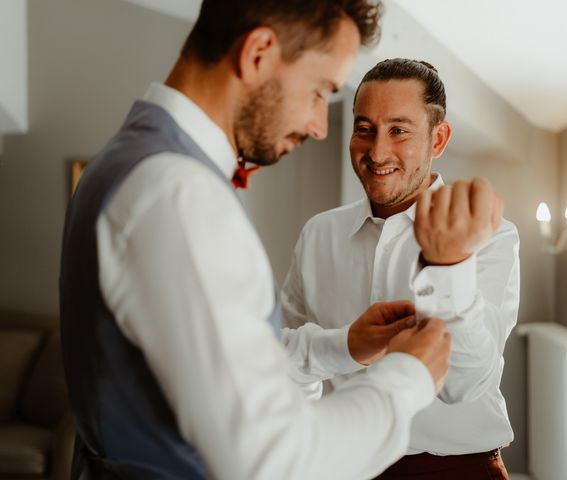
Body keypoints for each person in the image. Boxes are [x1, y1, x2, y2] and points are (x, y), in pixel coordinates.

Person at [58, 4, 458, 480]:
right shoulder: (178, 193)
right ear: (258, 53)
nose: (319, 126)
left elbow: (214, 358)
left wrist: (343, 345)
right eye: (320, 92)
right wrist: (409, 377)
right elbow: (274, 460)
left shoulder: (126, 160)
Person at [281, 58, 519, 479]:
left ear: (438, 138)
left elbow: (466, 382)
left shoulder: (493, 235)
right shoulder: (318, 234)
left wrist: (449, 265)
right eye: (364, 128)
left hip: (458, 470)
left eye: (399, 130)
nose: (377, 152)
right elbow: (287, 363)